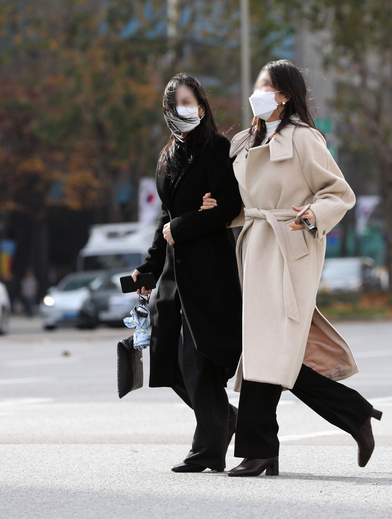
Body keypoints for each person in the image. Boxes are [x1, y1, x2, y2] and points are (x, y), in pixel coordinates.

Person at [201, 59, 382, 477]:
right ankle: (350, 414)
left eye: (266, 87)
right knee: (270, 350)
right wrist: (218, 210)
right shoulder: (243, 142)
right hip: (254, 245)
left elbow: (339, 192)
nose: (257, 93)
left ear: (283, 95)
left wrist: (313, 216)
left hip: (290, 246)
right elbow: (243, 203)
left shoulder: (304, 139)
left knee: (268, 348)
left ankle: (260, 449)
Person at [131, 73, 243, 473]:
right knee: (168, 361)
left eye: (193, 101)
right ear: (168, 109)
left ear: (202, 105)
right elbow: (167, 214)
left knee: (200, 360)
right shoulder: (168, 155)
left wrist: (184, 226)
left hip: (209, 269)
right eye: (179, 102)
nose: (188, 109)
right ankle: (223, 421)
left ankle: (208, 447)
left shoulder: (216, 146)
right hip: (174, 274)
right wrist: (149, 267)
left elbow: (228, 204)